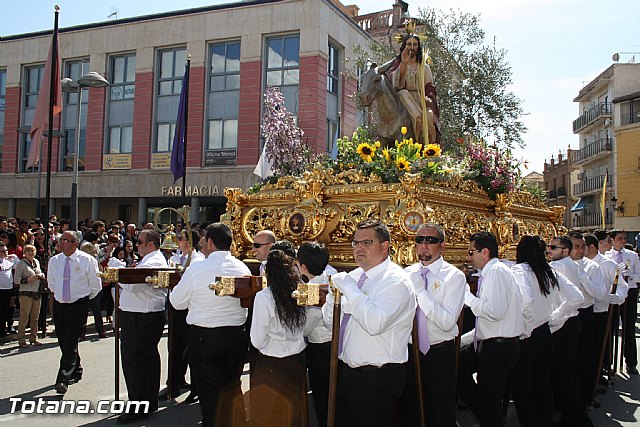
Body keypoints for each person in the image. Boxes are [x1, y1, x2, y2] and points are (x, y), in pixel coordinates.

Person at [322, 219, 415, 426]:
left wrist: (350, 289)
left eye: (366, 242)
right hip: (348, 372)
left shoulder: (396, 280)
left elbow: (375, 323)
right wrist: (331, 298)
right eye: (355, 243)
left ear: (385, 247)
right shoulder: (354, 277)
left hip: (378, 376)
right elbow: (331, 324)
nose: (359, 248)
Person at [170, 223, 251, 426]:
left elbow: (177, 302)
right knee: (232, 387)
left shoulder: (198, 268)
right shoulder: (242, 267)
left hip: (205, 337)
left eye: (204, 240)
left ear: (210, 242)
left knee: (210, 393)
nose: (202, 244)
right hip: (235, 336)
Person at [509, 235, 583, 427]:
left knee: (522, 389)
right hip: (544, 334)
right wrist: (554, 319)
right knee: (542, 388)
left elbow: (526, 301)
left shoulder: (519, 270)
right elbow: (576, 297)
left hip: (529, 335)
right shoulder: (548, 270)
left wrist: (527, 327)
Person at [400, 223, 466, 427]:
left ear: (442, 245)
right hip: (410, 352)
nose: (424, 245)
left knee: (440, 411)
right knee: (413, 410)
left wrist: (421, 292)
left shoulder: (454, 276)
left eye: (431, 240)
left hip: (439, 352)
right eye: (419, 240)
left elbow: (447, 322)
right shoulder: (407, 274)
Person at [457, 231, 524, 426]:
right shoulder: (494, 272)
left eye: (471, 252)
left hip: (499, 347)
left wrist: (467, 297)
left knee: (490, 401)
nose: (469, 257)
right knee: (459, 367)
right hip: (494, 344)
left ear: (484, 252)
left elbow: (494, 312)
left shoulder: (496, 272)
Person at [251, 248, 307, 426]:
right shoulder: (299, 293)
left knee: (267, 414)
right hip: (297, 359)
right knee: (293, 410)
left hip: (272, 361)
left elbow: (257, 339)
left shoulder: (264, 297)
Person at [117, 229, 167, 424]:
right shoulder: (151, 260)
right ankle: (148, 400)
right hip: (142, 314)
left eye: (139, 242)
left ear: (150, 244)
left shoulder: (153, 261)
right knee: (146, 359)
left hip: (141, 316)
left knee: (134, 361)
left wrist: (118, 274)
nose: (136, 245)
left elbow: (132, 284)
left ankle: (139, 404)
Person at [46, 230, 101, 394]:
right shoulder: (55, 261)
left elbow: (95, 285)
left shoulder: (87, 260)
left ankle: (62, 379)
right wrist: (60, 295)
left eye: (65, 240)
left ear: (75, 244)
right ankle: (76, 369)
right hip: (60, 304)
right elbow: (52, 283)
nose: (61, 243)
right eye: (61, 240)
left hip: (78, 304)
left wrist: (83, 299)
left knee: (70, 341)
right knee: (64, 340)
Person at [547, 235, 593, 426]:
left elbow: (575, 297)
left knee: (560, 376)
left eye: (553, 247)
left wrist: (556, 317)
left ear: (564, 251)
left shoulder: (558, 267)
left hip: (563, 324)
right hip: (571, 322)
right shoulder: (572, 264)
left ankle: (578, 418)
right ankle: (571, 416)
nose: (548, 250)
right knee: (568, 373)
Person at [159, 229, 204, 401]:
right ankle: (175, 382)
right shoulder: (175, 258)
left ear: (189, 241)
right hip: (176, 306)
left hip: (190, 307)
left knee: (190, 347)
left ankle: (194, 385)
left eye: (180, 238)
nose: (177, 241)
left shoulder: (197, 260)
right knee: (175, 347)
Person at [584, 232, 628, 393]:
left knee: (596, 349)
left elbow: (623, 286)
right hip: (582, 313)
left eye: (583, 247)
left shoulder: (608, 264)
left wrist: (618, 297)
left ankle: (593, 383)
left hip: (600, 312)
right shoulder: (578, 264)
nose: (580, 250)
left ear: (592, 247)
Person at [298, 241, 332, 427]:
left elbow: (305, 328)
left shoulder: (313, 290)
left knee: (323, 399)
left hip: (321, 349)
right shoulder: (331, 278)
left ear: (302, 266)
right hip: (335, 346)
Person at [386, 32, 440, 146]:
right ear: (404, 46)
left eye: (415, 44)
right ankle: (418, 122)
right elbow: (395, 84)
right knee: (403, 93)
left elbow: (430, 87)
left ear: (418, 47)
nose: (412, 47)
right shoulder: (399, 65)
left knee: (430, 115)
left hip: (421, 99)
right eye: (409, 44)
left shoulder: (424, 68)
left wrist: (428, 98)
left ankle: (430, 145)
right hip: (405, 101)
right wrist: (404, 65)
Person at [606, 229, 640, 375]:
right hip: (613, 293)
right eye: (619, 238)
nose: (623, 241)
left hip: (630, 292)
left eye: (624, 238)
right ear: (612, 240)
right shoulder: (607, 256)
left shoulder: (632, 255)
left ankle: (631, 362)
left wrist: (630, 274)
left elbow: (639, 276)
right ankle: (608, 362)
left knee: (629, 328)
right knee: (611, 328)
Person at [14, 244, 46, 348]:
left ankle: (34, 337)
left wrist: (41, 276)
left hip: (36, 292)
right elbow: (16, 280)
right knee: (24, 317)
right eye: (28, 251)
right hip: (26, 293)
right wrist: (29, 279)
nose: (31, 253)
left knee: (35, 317)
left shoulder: (36, 262)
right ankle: (21, 339)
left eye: (32, 251)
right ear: (24, 253)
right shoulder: (21, 264)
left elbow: (40, 272)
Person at [0, 242, 19, 338]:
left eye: (6, 250)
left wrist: (15, 257)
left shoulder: (10, 260)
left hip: (9, 288)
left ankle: (10, 325)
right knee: (1, 309)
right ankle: (2, 328)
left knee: (10, 308)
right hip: (1, 288)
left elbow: (18, 266)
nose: (6, 253)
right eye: (3, 251)